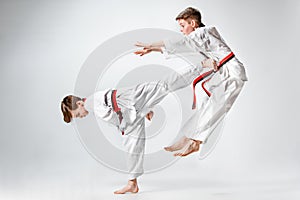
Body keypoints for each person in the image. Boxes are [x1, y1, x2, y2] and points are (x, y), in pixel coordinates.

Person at [61, 61, 205, 194]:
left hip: (131, 99)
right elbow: (114, 113)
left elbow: (109, 116)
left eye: (77, 114)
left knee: (164, 85)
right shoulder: (92, 102)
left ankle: (201, 65)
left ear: (79, 104)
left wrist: (126, 123)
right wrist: (143, 112)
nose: (80, 116)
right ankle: (132, 183)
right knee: (132, 145)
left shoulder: (89, 103)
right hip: (130, 108)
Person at [134, 7, 248, 157]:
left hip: (233, 74)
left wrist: (151, 45)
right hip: (225, 73)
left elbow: (179, 43)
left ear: (193, 23)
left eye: (182, 26)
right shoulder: (202, 37)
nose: (181, 30)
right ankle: (187, 138)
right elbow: (182, 48)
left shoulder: (202, 33)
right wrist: (153, 50)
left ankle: (195, 142)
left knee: (213, 108)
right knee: (205, 106)